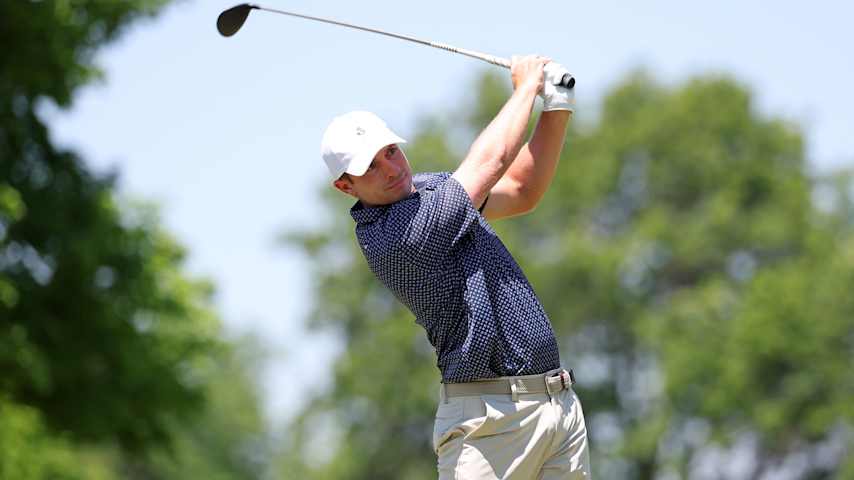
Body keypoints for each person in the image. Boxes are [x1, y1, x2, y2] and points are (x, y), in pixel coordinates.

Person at [320, 55, 590, 479]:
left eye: (390, 151)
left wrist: (556, 107)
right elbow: (490, 161)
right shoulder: (395, 235)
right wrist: (524, 88)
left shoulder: (428, 190)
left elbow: (521, 190)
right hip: (489, 425)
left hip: (559, 406)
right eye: (370, 166)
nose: (391, 169)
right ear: (345, 186)